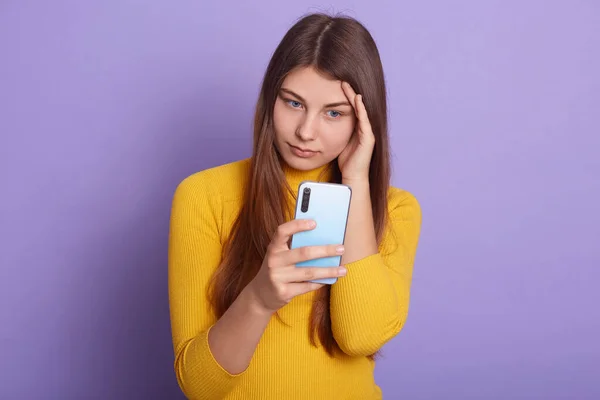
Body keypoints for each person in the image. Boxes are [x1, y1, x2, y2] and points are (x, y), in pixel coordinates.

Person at [168, 12, 422, 400]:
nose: (306, 131)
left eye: (334, 113)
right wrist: (259, 298)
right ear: (271, 97)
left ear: (364, 120)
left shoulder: (396, 210)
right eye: (293, 103)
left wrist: (354, 182)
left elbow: (361, 336)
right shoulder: (204, 195)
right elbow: (200, 386)